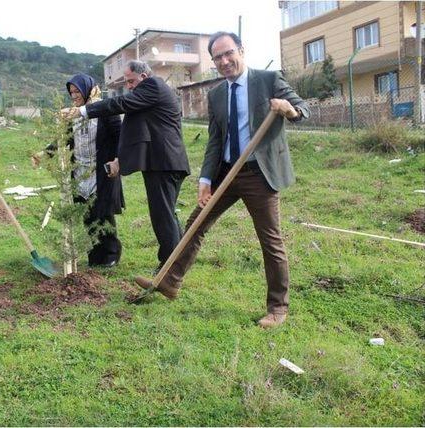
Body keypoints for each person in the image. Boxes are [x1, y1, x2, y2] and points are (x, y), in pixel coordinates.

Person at [135, 32, 310, 329]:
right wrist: (206, 178)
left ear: (241, 50)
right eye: (217, 57)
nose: (224, 61)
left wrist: (288, 109)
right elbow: (215, 140)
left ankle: (278, 308)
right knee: (196, 224)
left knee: (270, 240)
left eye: (228, 53)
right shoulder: (216, 94)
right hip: (226, 173)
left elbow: (303, 111)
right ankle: (170, 282)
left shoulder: (269, 80)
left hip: (259, 174)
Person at [62, 60, 190, 271]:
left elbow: (118, 104)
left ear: (144, 77)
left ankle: (169, 268)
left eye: (131, 81)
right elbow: (139, 133)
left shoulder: (153, 86)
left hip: (164, 162)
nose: (129, 86)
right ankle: (177, 260)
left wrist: (83, 111)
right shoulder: (148, 98)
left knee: (162, 215)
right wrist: (120, 160)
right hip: (162, 161)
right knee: (166, 213)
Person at [34, 73, 123, 267]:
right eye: (71, 92)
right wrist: (45, 153)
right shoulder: (72, 114)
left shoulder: (105, 109)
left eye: (77, 91)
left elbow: (119, 136)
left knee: (103, 213)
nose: (74, 96)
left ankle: (111, 255)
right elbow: (64, 138)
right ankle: (95, 255)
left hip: (102, 170)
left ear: (87, 90)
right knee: (87, 214)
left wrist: (117, 160)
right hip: (80, 171)